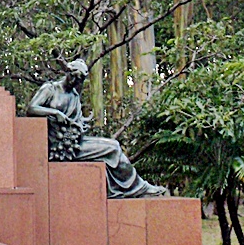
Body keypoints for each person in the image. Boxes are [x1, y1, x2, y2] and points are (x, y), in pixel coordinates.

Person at [27, 59, 166, 198]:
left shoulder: (74, 95)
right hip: (57, 147)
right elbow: (32, 108)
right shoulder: (50, 89)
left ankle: (135, 188)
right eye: (73, 76)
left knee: (113, 145)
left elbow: (77, 122)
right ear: (67, 72)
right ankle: (139, 189)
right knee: (112, 149)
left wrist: (81, 124)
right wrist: (55, 113)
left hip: (72, 144)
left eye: (79, 79)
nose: (74, 81)